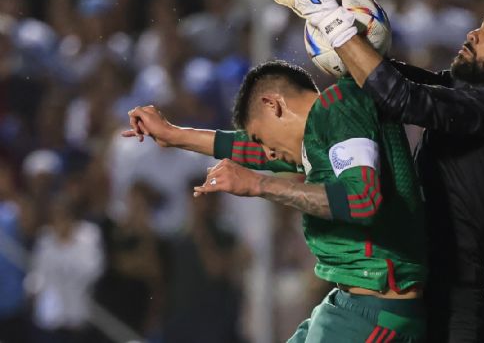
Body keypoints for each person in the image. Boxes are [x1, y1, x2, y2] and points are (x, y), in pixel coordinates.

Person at [267, 0, 484, 340]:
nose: (474, 32)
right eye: (481, 24)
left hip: (451, 311)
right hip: (420, 296)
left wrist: (329, 16)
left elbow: (401, 97)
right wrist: (340, 9)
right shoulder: (470, 94)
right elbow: (389, 78)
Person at [123, 60, 427, 342]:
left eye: (260, 137)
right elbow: (244, 148)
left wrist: (260, 184)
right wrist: (174, 135)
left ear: (272, 104)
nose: (267, 153)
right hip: (348, 304)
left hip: (376, 309)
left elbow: (361, 199)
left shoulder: (340, 106)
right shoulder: (322, 134)